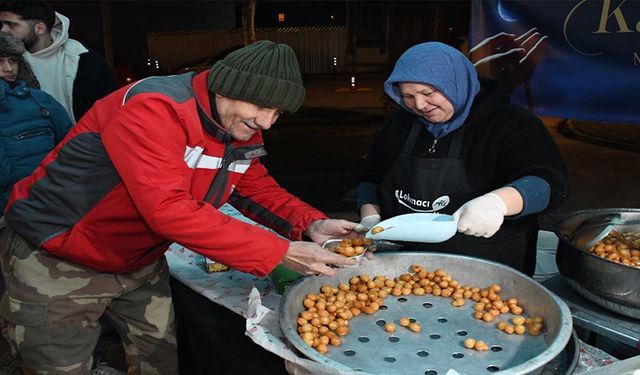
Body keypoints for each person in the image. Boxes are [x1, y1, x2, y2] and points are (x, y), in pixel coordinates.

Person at [0, 40, 358, 374]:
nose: (266, 122)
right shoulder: (155, 107)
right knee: (57, 365)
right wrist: (280, 251)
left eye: (277, 112)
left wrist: (309, 223)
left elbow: (251, 184)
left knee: (160, 361)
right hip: (59, 256)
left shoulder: (236, 123)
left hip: (137, 259)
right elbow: (168, 209)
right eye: (261, 107)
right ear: (225, 87)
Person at [355, 42, 568, 276]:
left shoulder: (510, 122)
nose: (419, 105)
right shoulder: (400, 124)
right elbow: (371, 177)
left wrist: (499, 203)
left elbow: (549, 181)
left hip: (490, 267)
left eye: (428, 93)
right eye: (407, 96)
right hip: (406, 265)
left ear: (454, 81)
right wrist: (370, 217)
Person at [0, 0, 117, 122]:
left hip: (79, 139)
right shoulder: (6, 61)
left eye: (11, 25)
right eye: (2, 24)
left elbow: (109, 108)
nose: (3, 30)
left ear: (40, 28)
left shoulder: (84, 58)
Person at [0, 31, 71, 212]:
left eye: (13, 61)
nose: (8, 69)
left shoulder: (41, 101)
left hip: (43, 202)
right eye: (0, 61)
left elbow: (70, 146)